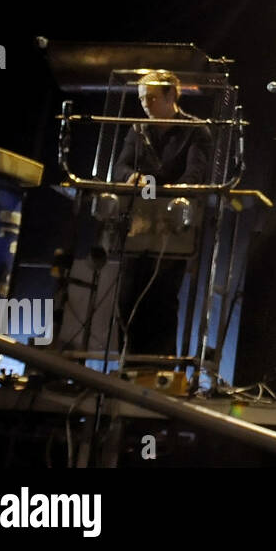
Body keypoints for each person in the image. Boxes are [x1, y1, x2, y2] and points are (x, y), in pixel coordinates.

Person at [111, 69, 213, 362]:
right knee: (127, 297)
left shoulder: (197, 130)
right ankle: (126, 366)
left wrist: (170, 190)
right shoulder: (138, 130)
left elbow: (194, 175)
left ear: (172, 96)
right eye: (142, 99)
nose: (146, 105)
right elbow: (120, 168)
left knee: (162, 299)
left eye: (152, 98)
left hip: (174, 225)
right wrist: (133, 178)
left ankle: (158, 371)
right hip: (138, 223)